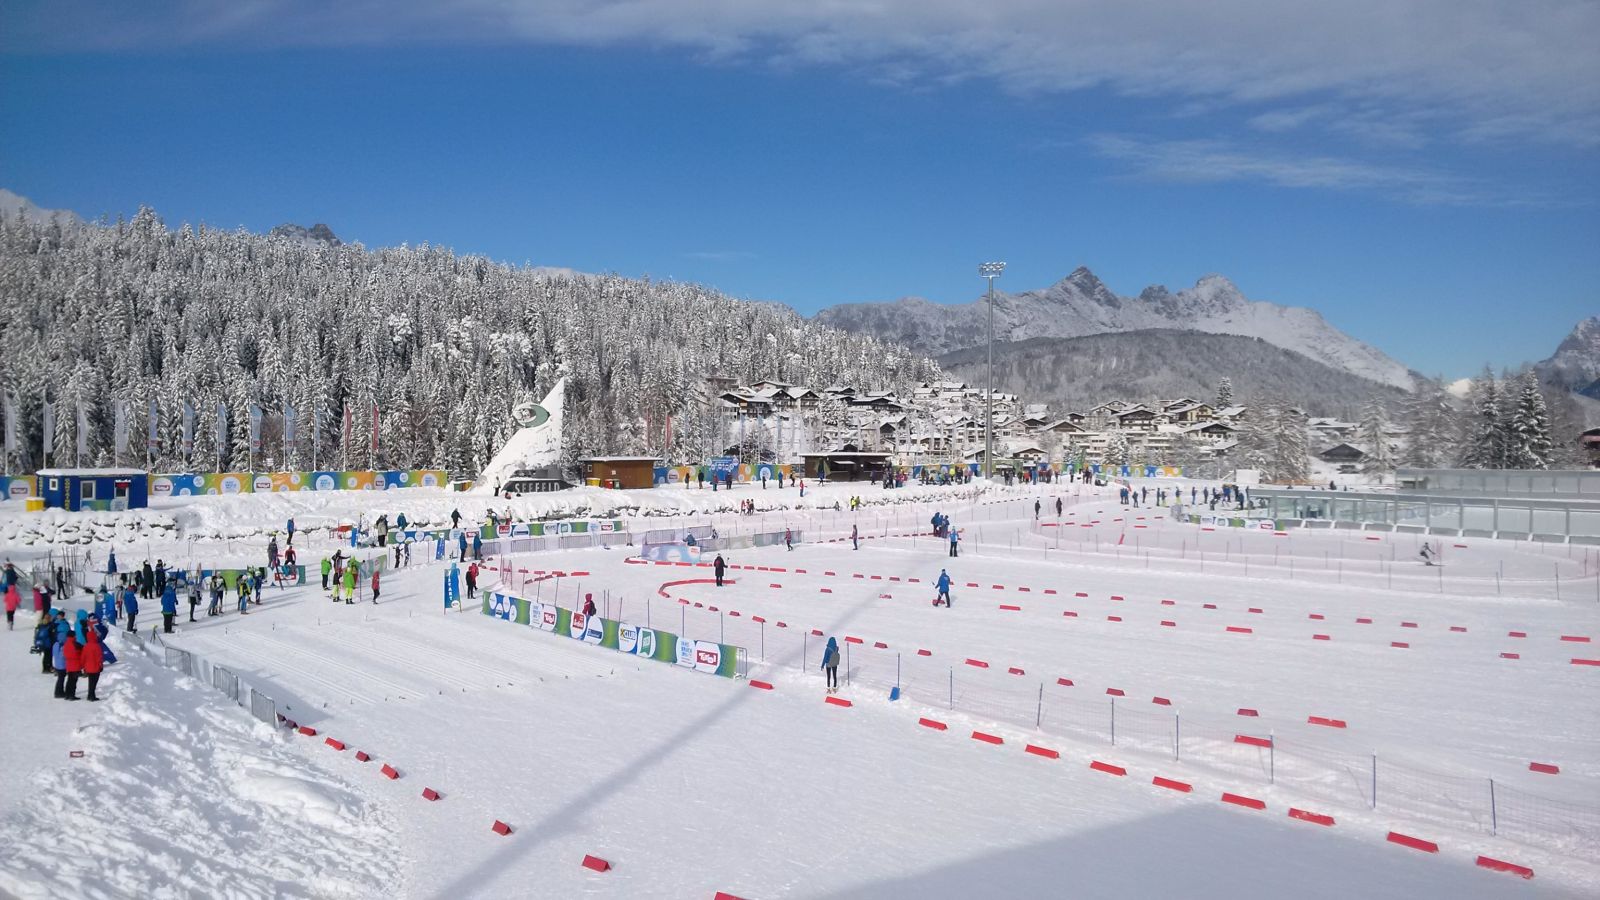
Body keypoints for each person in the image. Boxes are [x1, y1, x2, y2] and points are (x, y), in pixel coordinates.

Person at [80, 622, 104, 702]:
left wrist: (82, 666)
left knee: (90, 682)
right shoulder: (97, 646)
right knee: (94, 682)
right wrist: (101, 666)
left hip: (88, 667)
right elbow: (99, 658)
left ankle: (90, 695)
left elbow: (83, 657)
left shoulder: (86, 646)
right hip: (96, 667)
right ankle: (92, 695)